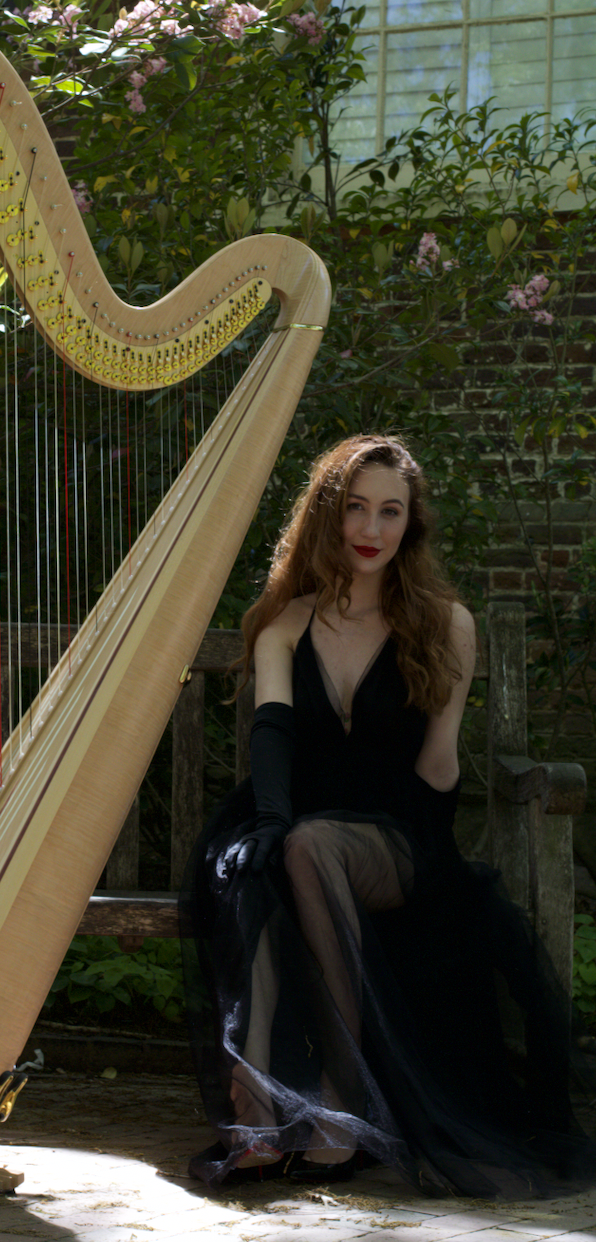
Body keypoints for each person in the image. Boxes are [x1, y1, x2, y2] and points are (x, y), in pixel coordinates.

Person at [181, 433, 596, 1198]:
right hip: (298, 818)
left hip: (400, 836)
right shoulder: (282, 626)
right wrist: (270, 826)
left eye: (391, 512)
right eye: (357, 510)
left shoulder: (444, 625)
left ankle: (344, 1102)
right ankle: (258, 1109)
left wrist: (433, 852)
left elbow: (439, 766)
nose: (372, 530)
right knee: (273, 861)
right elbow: (270, 742)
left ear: (412, 525)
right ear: (328, 518)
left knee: (308, 849)